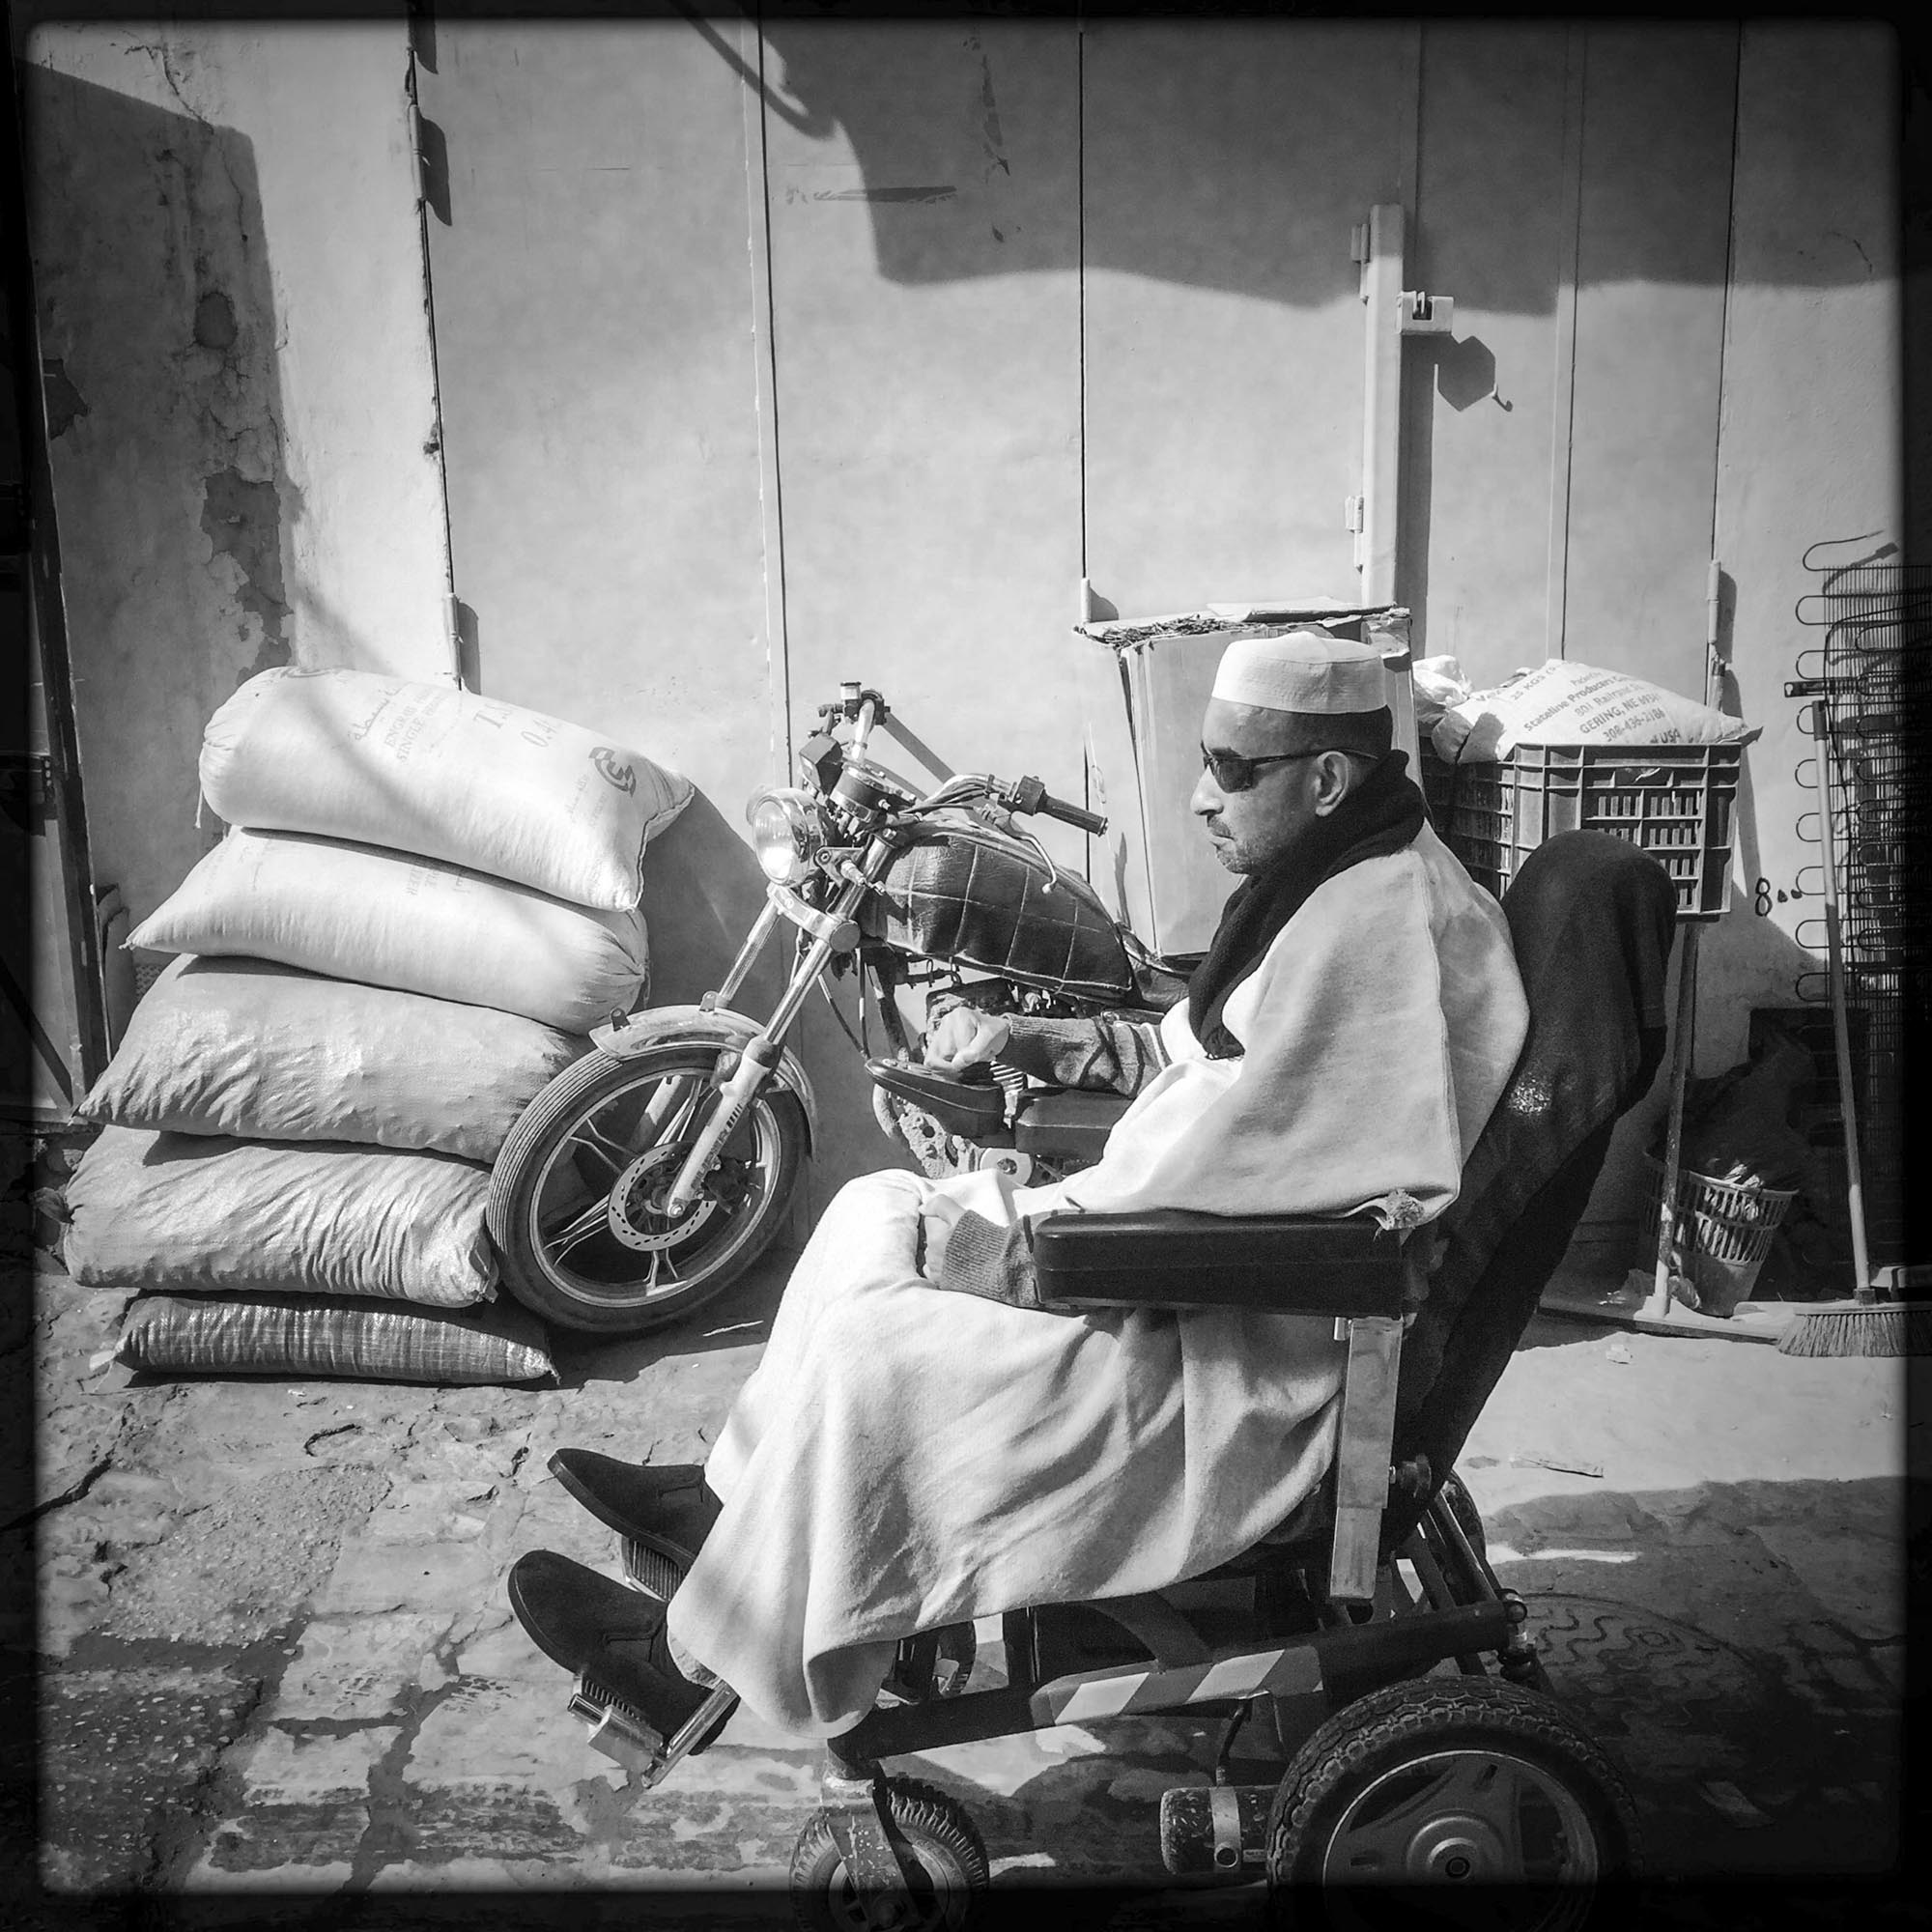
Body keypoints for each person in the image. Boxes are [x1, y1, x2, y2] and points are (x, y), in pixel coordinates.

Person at [507, 631, 1530, 1746]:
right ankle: (730, 1510)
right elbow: (1209, 1064)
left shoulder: (1372, 929)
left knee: (876, 1347)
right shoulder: (1335, 870)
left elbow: (1284, 1181)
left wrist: (1029, 1257)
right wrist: (1025, 1038)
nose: (1197, 797)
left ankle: (692, 1665)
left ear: (1325, 778)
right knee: (872, 1209)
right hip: (1187, 1255)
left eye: (1230, 771)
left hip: (1242, 1343)